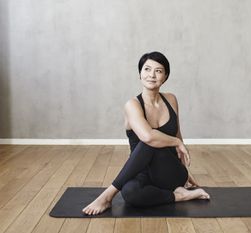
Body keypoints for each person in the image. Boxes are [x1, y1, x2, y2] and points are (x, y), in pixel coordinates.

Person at [82, 51, 210, 215]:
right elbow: (151, 136)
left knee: (149, 140)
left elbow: (177, 134)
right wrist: (177, 143)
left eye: (158, 71)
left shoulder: (171, 99)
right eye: (147, 69)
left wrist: (185, 171)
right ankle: (178, 196)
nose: (152, 75)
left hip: (169, 172)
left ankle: (107, 196)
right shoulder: (132, 105)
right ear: (140, 74)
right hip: (141, 171)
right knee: (130, 193)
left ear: (165, 76)